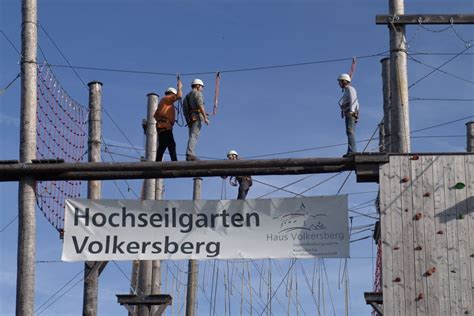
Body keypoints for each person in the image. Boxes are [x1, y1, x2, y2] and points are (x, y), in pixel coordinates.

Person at [154, 79, 182, 161]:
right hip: (165, 127)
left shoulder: (163, 102)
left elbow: (155, 115)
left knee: (171, 144)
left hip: (164, 127)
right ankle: (158, 162)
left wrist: (163, 119)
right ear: (172, 94)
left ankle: (174, 161)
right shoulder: (167, 98)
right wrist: (180, 87)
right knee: (164, 145)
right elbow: (179, 95)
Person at [183, 78, 209, 161]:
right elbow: (200, 105)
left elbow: (185, 111)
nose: (202, 89)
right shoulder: (198, 93)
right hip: (196, 118)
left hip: (190, 118)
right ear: (198, 86)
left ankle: (190, 153)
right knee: (194, 136)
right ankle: (190, 154)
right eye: (201, 87)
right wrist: (205, 117)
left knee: (191, 136)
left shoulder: (186, 97)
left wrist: (188, 121)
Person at [337, 73, 359, 156]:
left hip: (350, 113)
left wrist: (352, 111)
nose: (339, 84)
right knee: (349, 132)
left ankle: (352, 151)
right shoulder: (347, 90)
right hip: (348, 113)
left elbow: (354, 100)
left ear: (344, 81)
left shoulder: (350, 89)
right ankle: (350, 150)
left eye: (340, 82)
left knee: (350, 131)